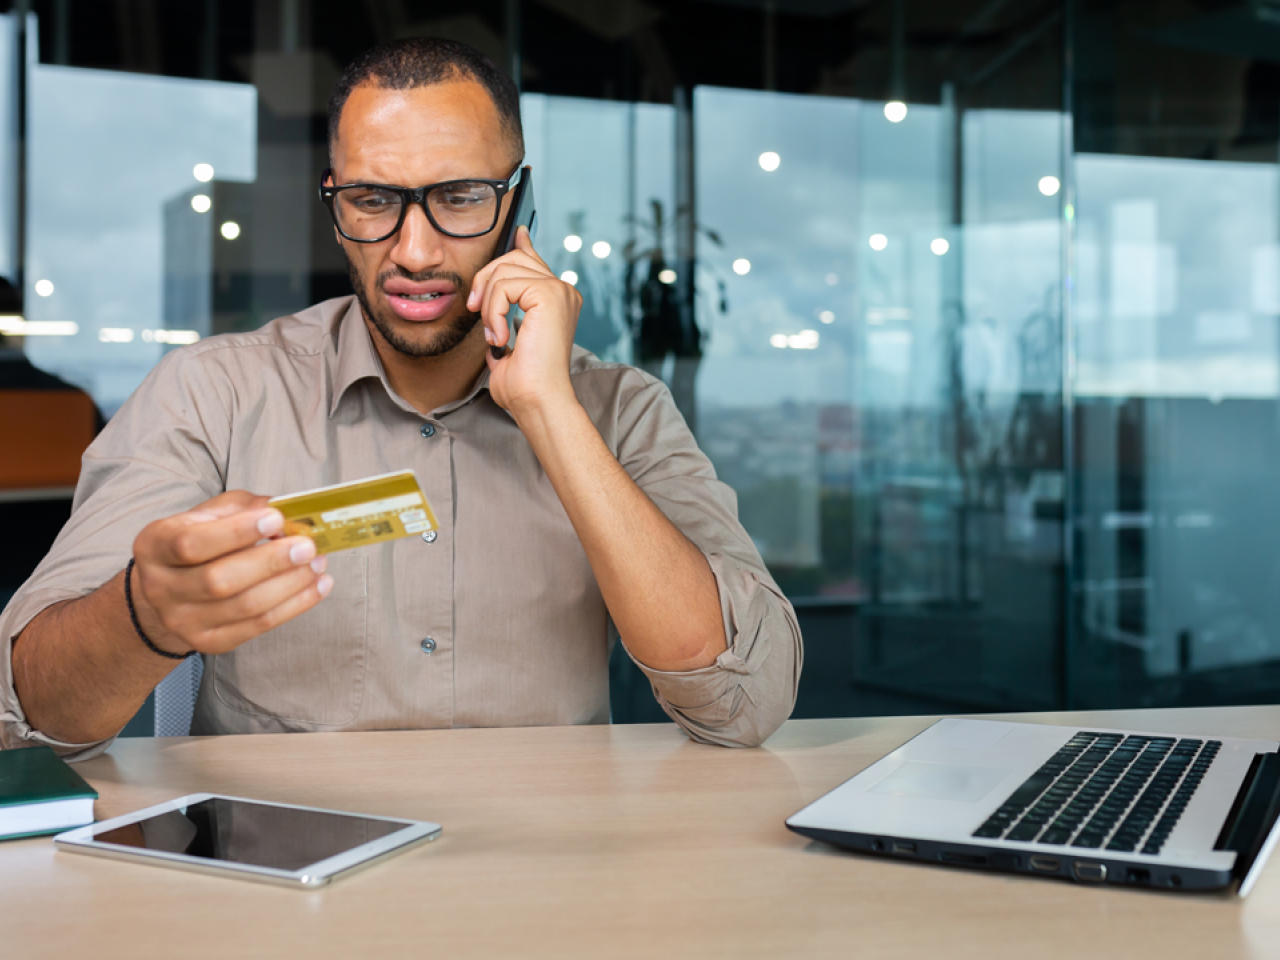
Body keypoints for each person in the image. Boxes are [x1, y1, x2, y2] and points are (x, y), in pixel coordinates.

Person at [0, 38, 801, 759]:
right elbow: (30, 712)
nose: (413, 253)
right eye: (374, 201)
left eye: (458, 197)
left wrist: (550, 407)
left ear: (518, 202)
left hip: (549, 881)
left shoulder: (619, 409)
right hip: (281, 885)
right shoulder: (213, 392)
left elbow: (744, 702)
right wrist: (144, 614)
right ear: (336, 198)